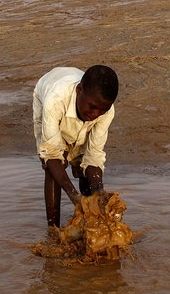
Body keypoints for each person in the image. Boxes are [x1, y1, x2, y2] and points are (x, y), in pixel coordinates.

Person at [33, 64, 119, 229]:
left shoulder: (106, 110)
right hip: (47, 94)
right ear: (79, 90)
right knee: (54, 166)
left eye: (102, 110)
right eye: (92, 107)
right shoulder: (56, 99)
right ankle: (53, 230)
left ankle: (89, 224)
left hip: (75, 97)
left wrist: (98, 194)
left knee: (82, 168)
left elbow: (93, 155)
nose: (95, 115)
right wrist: (74, 197)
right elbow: (51, 155)